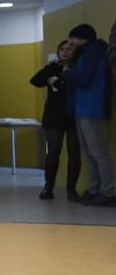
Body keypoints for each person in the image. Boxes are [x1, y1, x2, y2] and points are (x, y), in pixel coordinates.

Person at [61, 24, 114, 206]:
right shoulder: (88, 52)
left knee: (99, 153)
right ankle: (95, 189)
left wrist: (66, 72)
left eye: (73, 39)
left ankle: (108, 191)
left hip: (92, 108)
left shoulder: (94, 53)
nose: (71, 43)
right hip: (83, 108)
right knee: (91, 153)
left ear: (82, 38)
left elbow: (83, 78)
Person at [29, 40, 80, 201]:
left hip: (73, 114)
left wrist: (57, 81)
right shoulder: (53, 67)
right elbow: (35, 80)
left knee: (74, 153)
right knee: (53, 152)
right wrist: (51, 69)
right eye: (62, 49)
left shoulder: (77, 68)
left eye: (69, 49)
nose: (65, 52)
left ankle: (71, 189)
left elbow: (72, 86)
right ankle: (48, 187)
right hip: (54, 115)